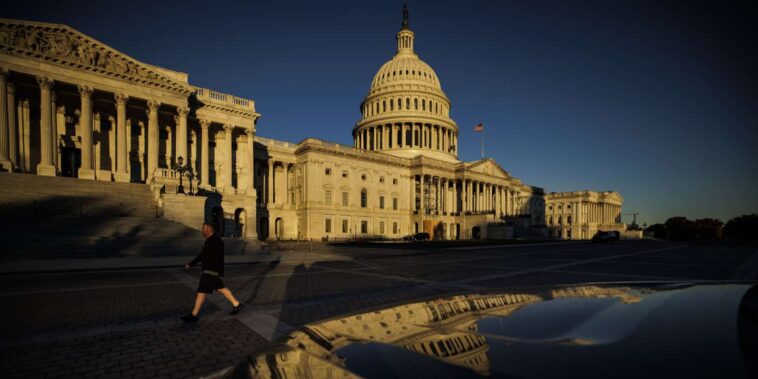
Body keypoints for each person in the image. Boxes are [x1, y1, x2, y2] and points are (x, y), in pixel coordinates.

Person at [181, 222, 242, 322]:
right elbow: (202, 255)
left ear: (209, 229)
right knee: (221, 288)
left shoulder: (217, 241)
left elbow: (219, 258)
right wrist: (191, 264)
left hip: (211, 271)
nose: (202, 230)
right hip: (209, 271)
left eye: (203, 228)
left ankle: (194, 315)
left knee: (201, 291)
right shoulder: (208, 241)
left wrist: (220, 273)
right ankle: (237, 304)